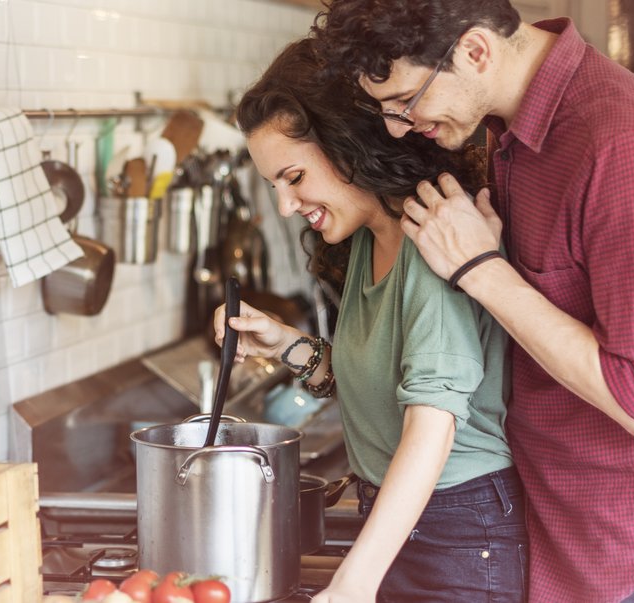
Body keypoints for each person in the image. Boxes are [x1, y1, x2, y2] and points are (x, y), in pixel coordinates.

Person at [314, 1, 634, 601]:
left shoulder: (624, 144)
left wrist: (481, 270)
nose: (396, 126)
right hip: (564, 533)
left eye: (404, 101)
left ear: (475, 51)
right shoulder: (513, 132)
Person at [216, 37, 527, 602]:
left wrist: (352, 584)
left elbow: (432, 423)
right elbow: (383, 388)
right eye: (273, 186)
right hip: (408, 520)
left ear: (345, 146)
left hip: (457, 530)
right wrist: (284, 343)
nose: (286, 206)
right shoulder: (370, 238)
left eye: (293, 177)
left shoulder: (429, 234)